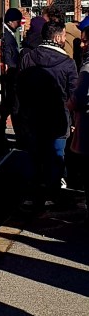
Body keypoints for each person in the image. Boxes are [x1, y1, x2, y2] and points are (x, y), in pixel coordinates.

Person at [17, 19, 78, 209]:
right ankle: (53, 193)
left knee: (34, 156)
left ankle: (33, 194)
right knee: (57, 156)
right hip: (58, 119)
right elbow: (73, 93)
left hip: (32, 118)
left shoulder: (27, 58)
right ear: (59, 37)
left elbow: (20, 87)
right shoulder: (68, 64)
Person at [69, 24, 89, 223]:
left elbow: (79, 98)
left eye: (85, 40)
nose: (81, 44)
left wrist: (70, 103)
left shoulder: (87, 68)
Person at [0, 7, 22, 143]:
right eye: (18, 21)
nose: (19, 25)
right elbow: (8, 55)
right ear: (11, 21)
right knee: (11, 106)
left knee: (9, 106)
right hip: (11, 76)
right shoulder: (7, 36)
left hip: (11, 75)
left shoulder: (8, 33)